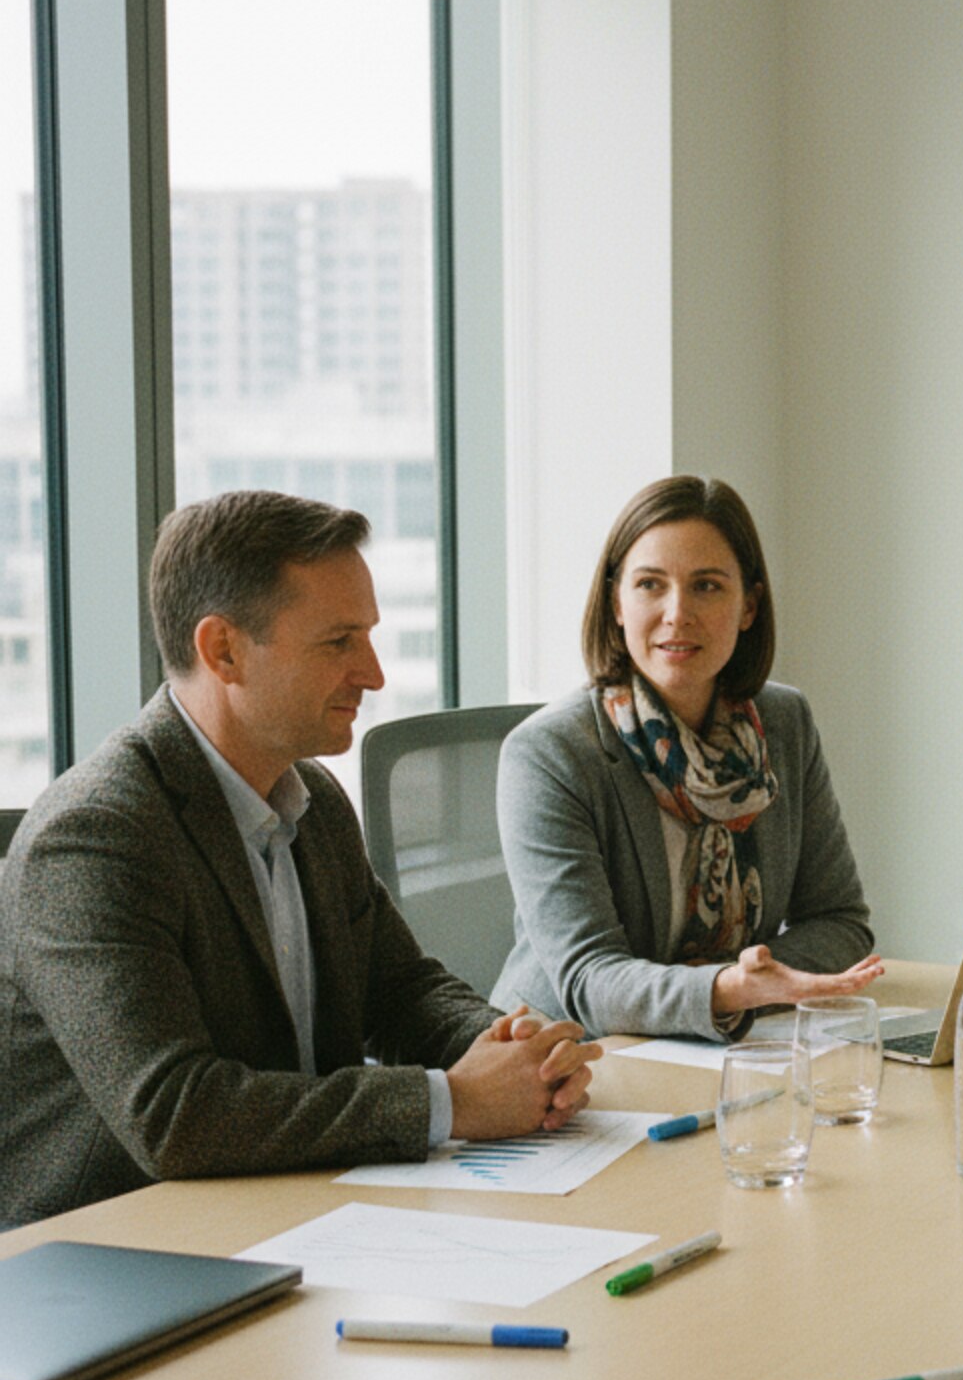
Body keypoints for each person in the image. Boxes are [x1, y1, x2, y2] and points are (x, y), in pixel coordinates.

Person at [0, 492, 600, 1230]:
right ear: (222, 650)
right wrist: (455, 1101)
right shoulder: (96, 836)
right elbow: (175, 1113)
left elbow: (400, 991)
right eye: (339, 641)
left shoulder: (308, 794)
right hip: (108, 1250)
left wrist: (513, 1051)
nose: (374, 673)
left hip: (288, 1212)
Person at [494, 474, 879, 1042]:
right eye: (650, 584)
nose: (677, 613)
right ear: (616, 603)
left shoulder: (783, 723)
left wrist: (751, 983)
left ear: (749, 605)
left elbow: (841, 921)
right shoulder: (548, 755)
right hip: (568, 1059)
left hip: (728, 1044)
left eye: (707, 587)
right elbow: (589, 979)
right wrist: (723, 989)